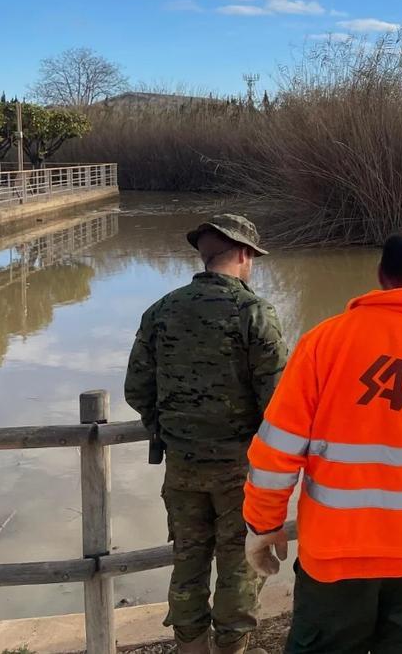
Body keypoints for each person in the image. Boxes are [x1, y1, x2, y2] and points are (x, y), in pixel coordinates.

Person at [243, 228, 402, 653]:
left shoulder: (321, 345)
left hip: (333, 554)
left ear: (379, 275)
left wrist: (263, 524)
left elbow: (276, 452)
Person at [124, 214, 287, 654]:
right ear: (244, 253)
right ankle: (232, 648)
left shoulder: (162, 310)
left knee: (188, 562)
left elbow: (136, 390)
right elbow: (278, 404)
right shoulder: (255, 313)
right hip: (241, 470)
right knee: (239, 564)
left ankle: (189, 647)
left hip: (181, 466)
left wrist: (167, 429)